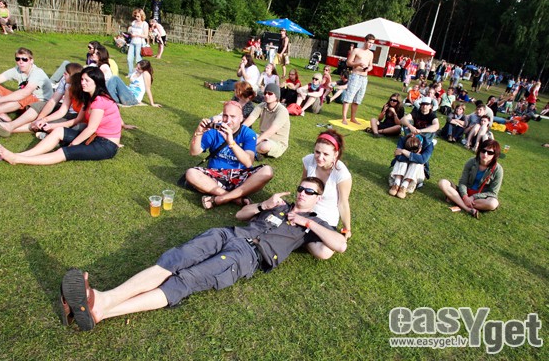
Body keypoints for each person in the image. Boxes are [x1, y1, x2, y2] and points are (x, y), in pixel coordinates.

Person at [58, 177, 347, 331]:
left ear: (318, 198)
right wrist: (264, 205)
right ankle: (102, 303)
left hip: (247, 256)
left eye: (309, 192)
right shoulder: (279, 205)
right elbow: (241, 214)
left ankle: (101, 306)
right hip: (228, 234)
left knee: (185, 280)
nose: (302, 194)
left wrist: (307, 223)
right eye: (301, 189)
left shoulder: (316, 225)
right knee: (174, 260)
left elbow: (338, 246)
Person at [0, 66, 122, 165]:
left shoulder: (99, 101)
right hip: (95, 138)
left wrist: (74, 143)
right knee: (58, 131)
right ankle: (22, 154)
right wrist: (50, 123)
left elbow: (91, 128)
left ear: (96, 82)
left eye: (87, 80)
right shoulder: (89, 97)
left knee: (63, 152)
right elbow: (78, 119)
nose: (83, 83)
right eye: (82, 79)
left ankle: (18, 159)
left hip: (106, 145)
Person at [184, 101, 273, 209]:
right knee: (191, 173)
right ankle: (234, 198)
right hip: (216, 176)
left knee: (267, 171)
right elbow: (194, 152)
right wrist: (198, 133)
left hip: (240, 176)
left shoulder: (248, 134)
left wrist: (231, 142)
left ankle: (221, 198)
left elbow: (248, 162)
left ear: (241, 118)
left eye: (233, 116)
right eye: (225, 116)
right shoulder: (215, 130)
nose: (228, 120)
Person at [0, 63, 84, 137]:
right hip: (64, 109)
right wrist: (41, 118)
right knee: (39, 105)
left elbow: (78, 116)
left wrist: (43, 120)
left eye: (66, 73)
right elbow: (53, 102)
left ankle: (6, 127)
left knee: (47, 125)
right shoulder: (66, 83)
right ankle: (7, 125)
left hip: (76, 117)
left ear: (74, 76)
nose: (63, 75)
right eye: (18, 59)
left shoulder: (84, 89)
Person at [302, 130, 353, 238]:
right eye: (317, 152)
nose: (320, 157)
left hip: (326, 220)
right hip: (304, 212)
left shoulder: (342, 174)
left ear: (335, 154)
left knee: (320, 248)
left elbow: (343, 203)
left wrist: (347, 229)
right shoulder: (309, 160)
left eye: (325, 154)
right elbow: (302, 187)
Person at [438, 139, 503, 218]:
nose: (485, 154)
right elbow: (463, 182)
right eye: (483, 151)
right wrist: (465, 196)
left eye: (490, 153)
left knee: (493, 203)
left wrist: (473, 197)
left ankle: (455, 200)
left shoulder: (498, 170)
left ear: (495, 155)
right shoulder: (471, 162)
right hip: (464, 193)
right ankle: (467, 208)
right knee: (443, 183)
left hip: (479, 198)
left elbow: (493, 193)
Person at [243, 83, 290, 158]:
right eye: (265, 93)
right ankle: (254, 151)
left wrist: (256, 141)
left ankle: (245, 151)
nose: (266, 95)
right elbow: (250, 119)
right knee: (246, 134)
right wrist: (239, 132)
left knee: (264, 146)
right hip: (262, 137)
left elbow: (271, 130)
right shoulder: (261, 106)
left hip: (277, 143)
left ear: (277, 96)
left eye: (270, 93)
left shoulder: (282, 111)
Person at [341, 34, 375, 125]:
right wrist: (358, 64)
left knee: (358, 99)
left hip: (364, 77)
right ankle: (344, 118)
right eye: (369, 42)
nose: (370, 45)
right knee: (349, 97)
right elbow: (348, 62)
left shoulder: (371, 53)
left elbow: (371, 65)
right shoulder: (356, 50)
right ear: (365, 41)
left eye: (372, 43)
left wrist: (368, 69)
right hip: (355, 75)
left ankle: (353, 118)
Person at [388, 134, 434, 199]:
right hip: (401, 171)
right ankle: (396, 183)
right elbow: (398, 156)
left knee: (417, 163)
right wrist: (415, 157)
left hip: (416, 175)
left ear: (420, 146)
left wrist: (404, 151)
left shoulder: (429, 144)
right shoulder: (403, 139)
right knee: (401, 160)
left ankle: (404, 186)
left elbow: (422, 160)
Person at [127, 9, 149, 77]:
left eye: (138, 16)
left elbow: (146, 35)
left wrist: (137, 35)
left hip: (139, 43)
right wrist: (131, 33)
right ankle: (130, 73)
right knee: (129, 58)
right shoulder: (134, 22)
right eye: (135, 16)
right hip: (132, 42)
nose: (136, 18)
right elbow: (130, 31)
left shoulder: (144, 24)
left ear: (142, 16)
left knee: (138, 60)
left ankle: (138, 74)